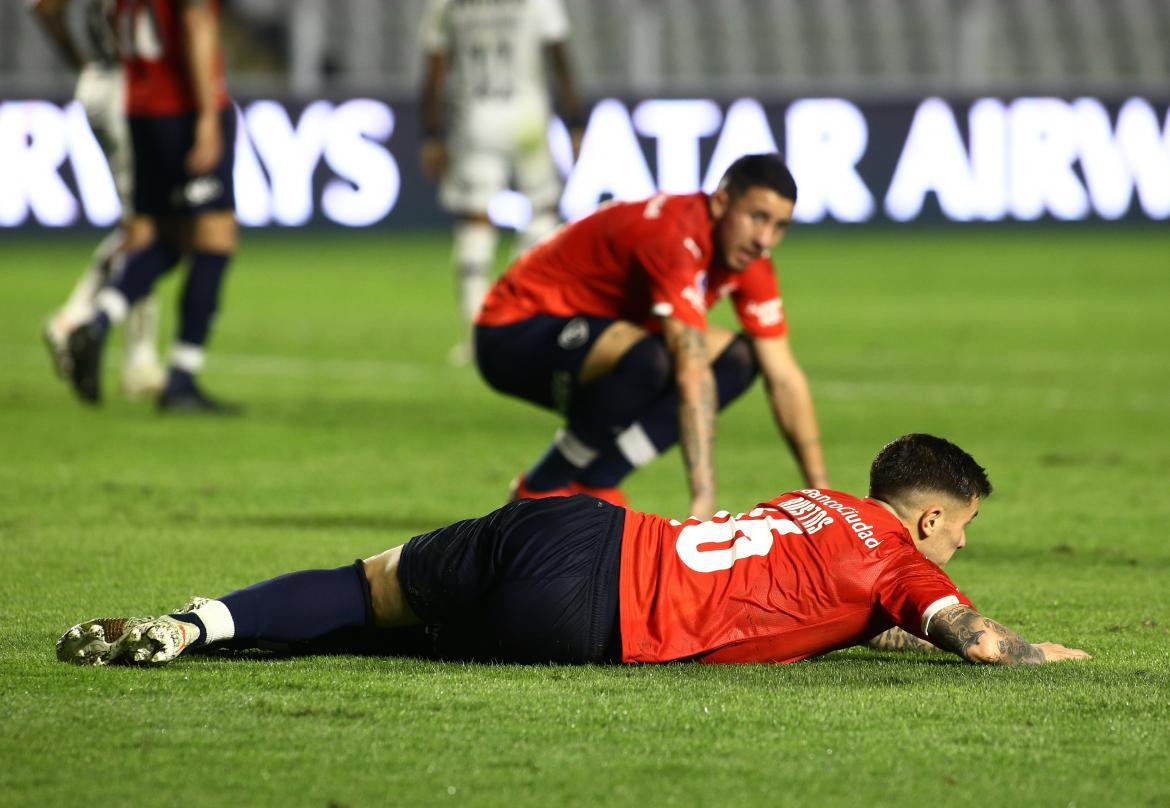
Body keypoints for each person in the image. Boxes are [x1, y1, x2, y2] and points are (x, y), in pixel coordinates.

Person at [56, 434, 1089, 668]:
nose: (960, 546)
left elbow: (786, 586)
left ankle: (198, 622)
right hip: (593, 609)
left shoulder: (816, 501)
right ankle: (221, 638)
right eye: (962, 525)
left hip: (578, 517)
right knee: (400, 644)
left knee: (368, 586)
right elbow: (976, 639)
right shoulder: (909, 569)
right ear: (926, 519)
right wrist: (1052, 655)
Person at [475, 153, 826, 518]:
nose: (764, 239)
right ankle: (542, 485)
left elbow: (783, 377)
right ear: (721, 201)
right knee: (651, 361)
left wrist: (823, 495)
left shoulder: (750, 257)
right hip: (512, 333)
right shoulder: (674, 236)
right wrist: (703, 500)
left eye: (779, 226)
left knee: (738, 361)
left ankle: (597, 481)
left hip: (594, 337)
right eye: (757, 218)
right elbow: (691, 371)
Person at [63, 0, 241, 413]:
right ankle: (181, 380)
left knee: (169, 239)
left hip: (140, 109)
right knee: (216, 238)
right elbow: (196, 23)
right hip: (181, 107)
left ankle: (97, 320)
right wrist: (209, 117)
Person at [418, 0, 585, 365]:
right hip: (526, 118)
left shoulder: (446, 4)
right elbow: (560, 58)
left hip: (475, 118)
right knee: (543, 208)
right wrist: (575, 120)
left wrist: (431, 133)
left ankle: (477, 337)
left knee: (475, 219)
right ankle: (522, 312)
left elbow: (435, 69)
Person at [32, 0, 167, 399]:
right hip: (131, 88)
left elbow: (43, 8)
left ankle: (140, 359)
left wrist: (84, 64)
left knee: (143, 223)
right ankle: (73, 322)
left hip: (100, 82)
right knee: (147, 226)